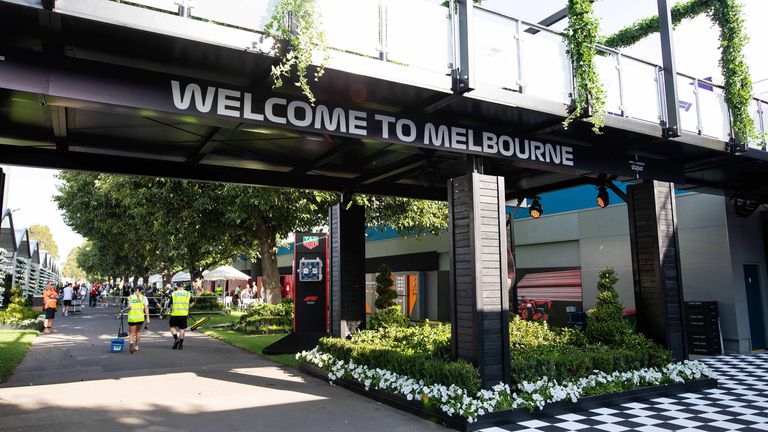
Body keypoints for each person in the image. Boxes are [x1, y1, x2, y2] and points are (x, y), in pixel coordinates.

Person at [122, 286, 149, 353]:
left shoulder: (130, 297)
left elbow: (129, 307)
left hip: (132, 318)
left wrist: (123, 310)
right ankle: (137, 346)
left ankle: (131, 342)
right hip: (140, 317)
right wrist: (148, 318)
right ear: (141, 291)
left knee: (131, 333)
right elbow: (146, 308)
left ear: (134, 290)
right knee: (138, 332)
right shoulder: (144, 297)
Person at [169, 284, 193, 350]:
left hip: (175, 314)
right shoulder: (188, 293)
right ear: (183, 286)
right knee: (182, 329)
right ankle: (181, 345)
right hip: (184, 314)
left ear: (177, 286)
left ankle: (176, 339)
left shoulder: (174, 293)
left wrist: (173, 308)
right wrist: (187, 308)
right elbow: (192, 302)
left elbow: (171, 304)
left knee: (172, 327)